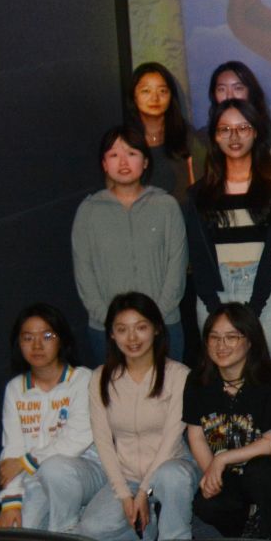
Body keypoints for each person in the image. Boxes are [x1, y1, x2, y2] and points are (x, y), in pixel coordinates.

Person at [40, 294, 198, 541]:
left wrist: (143, 493)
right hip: (128, 475)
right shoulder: (101, 377)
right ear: (112, 335)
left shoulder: (179, 375)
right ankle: (145, 530)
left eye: (141, 327)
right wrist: (125, 495)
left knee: (172, 477)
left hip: (171, 466)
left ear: (157, 329)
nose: (132, 338)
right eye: (122, 330)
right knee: (91, 530)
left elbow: (171, 439)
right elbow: (103, 441)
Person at [187, 97, 271, 364]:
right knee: (219, 374)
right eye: (225, 129)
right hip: (215, 293)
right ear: (215, 136)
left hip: (263, 292)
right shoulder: (199, 194)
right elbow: (198, 256)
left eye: (243, 128)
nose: (234, 137)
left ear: (255, 132)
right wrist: (213, 306)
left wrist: (255, 305)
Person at [74, 124, 187, 363]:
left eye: (132, 153)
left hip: (163, 324)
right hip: (107, 330)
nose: (123, 162)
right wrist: (114, 322)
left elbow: (176, 268)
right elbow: (84, 274)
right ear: (104, 164)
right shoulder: (89, 211)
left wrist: (152, 319)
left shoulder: (166, 206)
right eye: (114, 155)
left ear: (145, 162)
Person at [183, 303, 271, 539]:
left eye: (231, 337)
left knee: (259, 473)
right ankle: (246, 527)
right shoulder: (197, 381)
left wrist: (222, 459)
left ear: (250, 341)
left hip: (267, 471)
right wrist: (211, 473)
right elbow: (196, 435)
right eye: (214, 337)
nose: (221, 345)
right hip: (229, 474)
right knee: (205, 505)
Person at [0, 304, 96, 530]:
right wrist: (10, 501)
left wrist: (25, 462)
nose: (37, 345)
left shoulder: (83, 379)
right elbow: (12, 449)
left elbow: (77, 439)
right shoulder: (15, 388)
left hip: (83, 469)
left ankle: (67, 532)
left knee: (54, 470)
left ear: (62, 340)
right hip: (35, 475)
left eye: (47, 336)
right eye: (28, 338)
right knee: (17, 531)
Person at [127, 61, 204, 199]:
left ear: (171, 96)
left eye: (162, 91)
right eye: (146, 91)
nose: (155, 98)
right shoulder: (123, 140)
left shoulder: (187, 137)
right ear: (134, 96)